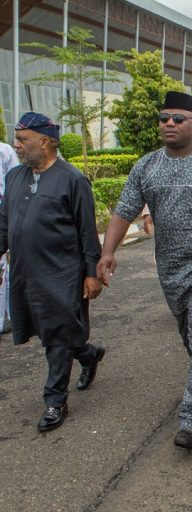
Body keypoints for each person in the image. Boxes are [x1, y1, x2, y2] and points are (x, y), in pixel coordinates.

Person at [98, 91, 192, 450]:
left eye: (178, 118)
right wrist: (107, 252)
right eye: (164, 118)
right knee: (189, 334)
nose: (169, 123)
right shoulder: (147, 166)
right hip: (170, 268)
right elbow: (125, 210)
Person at [0, 112, 103, 432]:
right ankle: (88, 354)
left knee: (56, 334)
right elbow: (4, 223)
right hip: (24, 272)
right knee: (48, 330)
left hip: (62, 273)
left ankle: (55, 400)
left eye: (23, 140)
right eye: (16, 139)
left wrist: (92, 273)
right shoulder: (15, 177)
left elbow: (87, 232)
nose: (16, 146)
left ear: (45, 142)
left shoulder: (73, 179)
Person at [0, 140, 19, 335]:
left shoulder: (4, 150)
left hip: (2, 215)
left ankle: (10, 317)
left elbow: (16, 185)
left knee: (3, 270)